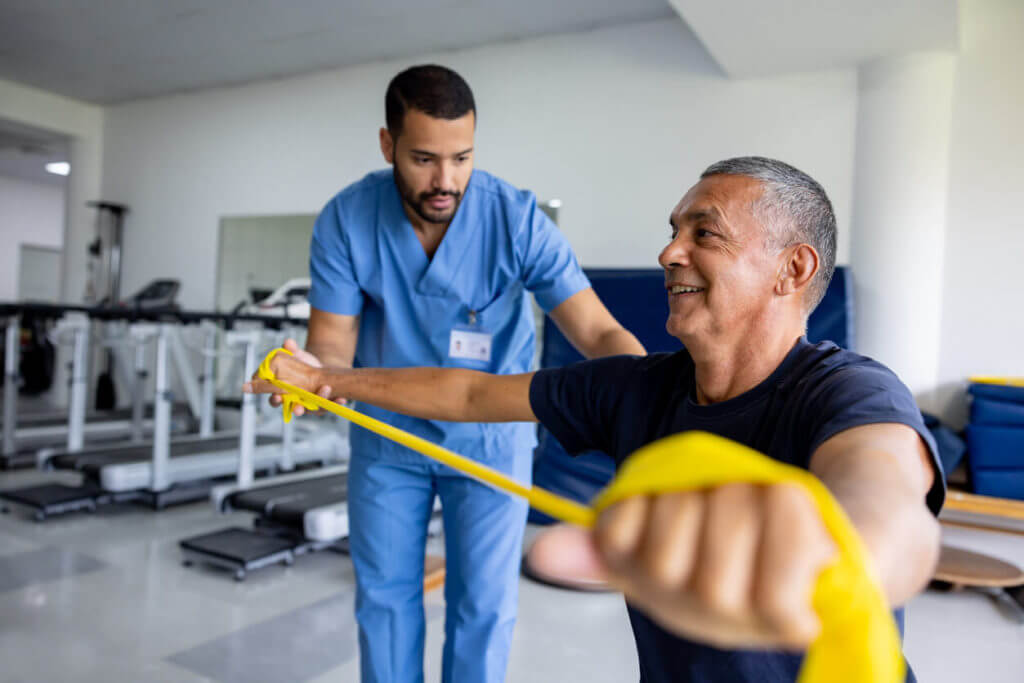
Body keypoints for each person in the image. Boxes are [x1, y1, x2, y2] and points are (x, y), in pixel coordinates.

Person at [248, 156, 945, 682]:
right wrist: (328, 377)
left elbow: (885, 502)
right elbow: (466, 396)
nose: (670, 251)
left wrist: (829, 545)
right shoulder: (634, 390)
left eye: (706, 232)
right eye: (673, 231)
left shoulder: (847, 389)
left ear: (792, 269)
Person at [285, 64, 645, 683]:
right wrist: (313, 377)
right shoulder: (347, 219)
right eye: (424, 158)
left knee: (482, 609)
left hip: (490, 439)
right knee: (384, 602)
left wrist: (652, 398)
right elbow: (332, 346)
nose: (445, 180)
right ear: (387, 144)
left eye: (461, 158)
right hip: (387, 441)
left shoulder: (516, 219)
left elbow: (597, 331)